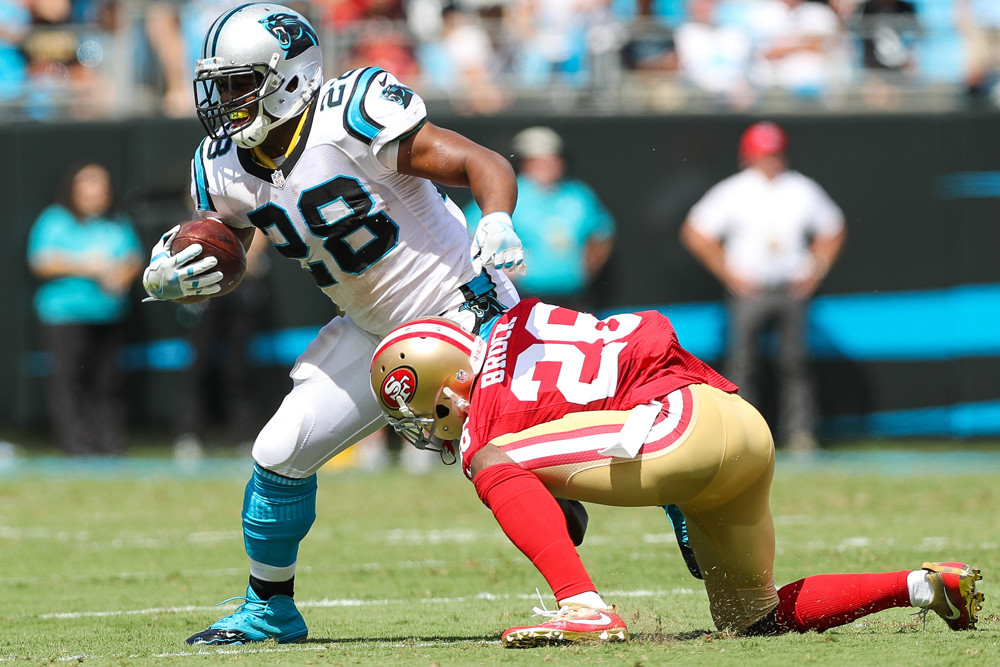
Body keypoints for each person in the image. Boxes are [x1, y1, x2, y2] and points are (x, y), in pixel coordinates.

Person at [138, 2, 585, 646]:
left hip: (460, 306)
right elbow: (231, 244)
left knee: (524, 456)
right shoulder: (223, 165)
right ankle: (270, 609)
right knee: (278, 453)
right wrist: (177, 271)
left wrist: (496, 219)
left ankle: (650, 515)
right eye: (220, 85)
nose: (224, 102)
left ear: (289, 76)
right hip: (372, 329)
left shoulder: (350, 113)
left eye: (239, 83)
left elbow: (484, 164)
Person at [369, 303, 985, 647]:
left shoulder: (486, 415)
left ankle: (583, 607)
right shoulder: (519, 317)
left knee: (490, 457)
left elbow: (557, 519)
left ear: (446, 382)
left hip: (674, 431)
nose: (429, 427)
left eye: (424, 411)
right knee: (752, 618)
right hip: (736, 420)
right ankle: (922, 585)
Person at [679, 121, 846, 453]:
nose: (770, 161)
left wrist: (815, 270)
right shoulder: (735, 190)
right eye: (763, 154)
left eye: (775, 154)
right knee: (742, 362)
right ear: (748, 156)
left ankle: (800, 433)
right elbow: (695, 232)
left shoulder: (800, 188)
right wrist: (728, 272)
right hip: (749, 289)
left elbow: (834, 228)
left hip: (789, 286)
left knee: (795, 362)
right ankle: (743, 434)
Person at [26, 162, 144, 456]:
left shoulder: (117, 221)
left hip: (109, 314)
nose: (98, 192)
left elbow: (134, 258)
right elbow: (40, 261)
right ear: (74, 190)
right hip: (65, 316)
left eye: (103, 185)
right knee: (70, 383)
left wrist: (121, 274)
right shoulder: (55, 220)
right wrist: (86, 265)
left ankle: (108, 445)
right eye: (90, 185)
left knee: (108, 384)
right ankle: (78, 448)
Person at [464, 126, 616, 313]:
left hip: (575, 298)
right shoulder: (508, 192)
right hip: (522, 298)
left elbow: (602, 231)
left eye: (552, 159)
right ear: (525, 162)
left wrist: (588, 267)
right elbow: (470, 230)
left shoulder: (578, 195)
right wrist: (500, 271)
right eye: (538, 160)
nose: (547, 165)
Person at [172, 229, 272, 458]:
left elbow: (255, 244)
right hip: (204, 293)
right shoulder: (199, 208)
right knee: (196, 367)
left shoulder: (244, 207)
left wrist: (233, 257)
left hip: (240, 291)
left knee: (239, 369)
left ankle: (245, 435)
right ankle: (189, 435)